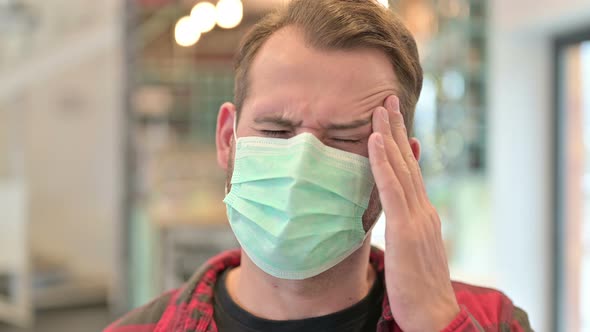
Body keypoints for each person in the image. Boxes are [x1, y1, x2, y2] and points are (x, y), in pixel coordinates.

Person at [105, 0, 532, 331]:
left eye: (345, 138)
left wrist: (435, 321)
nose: (301, 165)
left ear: (403, 165)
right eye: (276, 132)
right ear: (226, 138)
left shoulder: (493, 321)